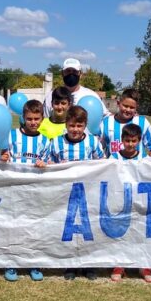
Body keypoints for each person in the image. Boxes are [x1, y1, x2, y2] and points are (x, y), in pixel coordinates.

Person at [42, 105, 105, 281]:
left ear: (85, 125)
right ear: (66, 125)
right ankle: (71, 263)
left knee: (89, 229)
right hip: (64, 194)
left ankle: (89, 264)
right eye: (71, 125)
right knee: (68, 229)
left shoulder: (93, 142)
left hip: (88, 194)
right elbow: (46, 163)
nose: (75, 129)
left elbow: (103, 164)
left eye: (79, 126)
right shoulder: (56, 142)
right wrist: (48, 165)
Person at [1, 99, 49, 282]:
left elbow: (49, 163)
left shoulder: (45, 140)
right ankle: (11, 262)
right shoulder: (11, 135)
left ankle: (33, 262)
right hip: (13, 189)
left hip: (35, 191)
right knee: (13, 227)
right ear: (23, 118)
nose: (33, 122)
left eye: (36, 119)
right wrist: (3, 156)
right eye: (29, 118)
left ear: (42, 118)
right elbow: (1, 155)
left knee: (33, 227)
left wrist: (45, 164)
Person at [110, 123, 151, 283]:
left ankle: (144, 266)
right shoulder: (113, 158)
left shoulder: (144, 159)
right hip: (120, 201)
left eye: (134, 141)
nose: (130, 144)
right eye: (127, 140)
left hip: (139, 203)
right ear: (122, 140)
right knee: (121, 234)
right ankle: (119, 266)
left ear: (139, 141)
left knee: (141, 234)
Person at [43, 58, 111, 118]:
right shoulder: (51, 96)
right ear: (62, 74)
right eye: (68, 71)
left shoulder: (92, 96)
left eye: (74, 71)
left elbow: (107, 116)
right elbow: (45, 120)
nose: (71, 74)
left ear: (80, 74)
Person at [100, 88, 151, 157]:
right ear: (118, 103)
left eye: (132, 107)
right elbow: (99, 147)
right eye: (125, 106)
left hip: (138, 164)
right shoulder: (106, 123)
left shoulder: (143, 122)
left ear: (136, 107)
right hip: (114, 163)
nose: (128, 110)